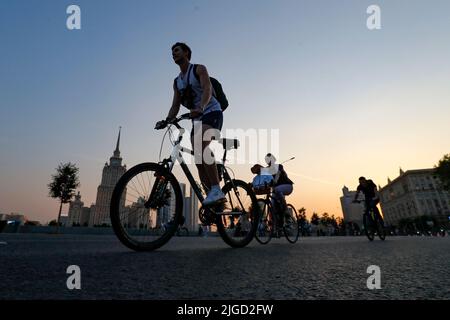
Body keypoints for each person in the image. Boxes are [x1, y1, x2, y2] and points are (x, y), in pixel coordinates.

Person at [155, 42, 225, 206]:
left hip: (212, 112)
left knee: (200, 145)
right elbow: (175, 105)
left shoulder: (199, 69)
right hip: (198, 119)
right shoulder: (176, 82)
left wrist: (201, 106)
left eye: (177, 50)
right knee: (198, 159)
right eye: (172, 52)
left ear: (187, 53)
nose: (174, 53)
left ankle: (216, 188)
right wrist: (166, 120)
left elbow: (207, 89)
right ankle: (212, 198)